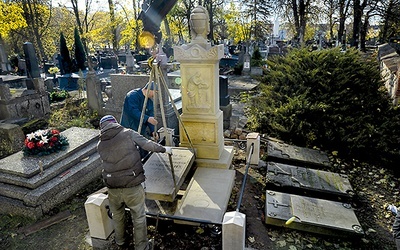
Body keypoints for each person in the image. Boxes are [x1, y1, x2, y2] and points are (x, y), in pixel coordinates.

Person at [97, 115, 172, 250]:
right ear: (115, 123)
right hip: (131, 184)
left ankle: (120, 242)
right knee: (138, 216)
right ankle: (141, 246)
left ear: (102, 128)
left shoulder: (100, 144)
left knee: (117, 215)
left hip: (112, 186)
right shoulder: (128, 133)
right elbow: (147, 144)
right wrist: (164, 149)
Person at [120, 81, 159, 158]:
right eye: (155, 92)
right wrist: (147, 119)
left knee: (144, 150)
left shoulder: (149, 101)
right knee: (132, 153)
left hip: (141, 130)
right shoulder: (132, 95)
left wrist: (153, 131)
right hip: (129, 127)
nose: (155, 95)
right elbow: (133, 111)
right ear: (149, 90)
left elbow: (150, 115)